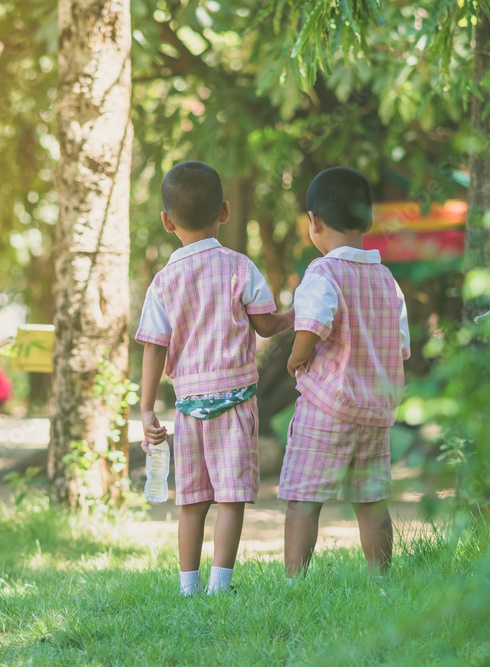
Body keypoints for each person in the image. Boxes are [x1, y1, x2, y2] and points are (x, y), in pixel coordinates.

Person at [136, 161, 293, 596]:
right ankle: (219, 588)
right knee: (230, 497)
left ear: (167, 222)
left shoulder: (163, 281)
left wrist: (147, 407)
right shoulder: (240, 267)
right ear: (224, 212)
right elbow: (264, 325)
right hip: (236, 400)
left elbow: (154, 345)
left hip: (188, 407)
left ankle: (188, 587)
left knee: (191, 500)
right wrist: (293, 318)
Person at [279, 167, 410, 578]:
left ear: (314, 222)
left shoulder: (323, 273)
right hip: (375, 411)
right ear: (368, 221)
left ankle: (294, 583)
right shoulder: (387, 280)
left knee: (303, 497)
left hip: (328, 407)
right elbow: (401, 344)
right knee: (371, 499)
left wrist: (296, 357)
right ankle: (381, 580)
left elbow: (313, 323)